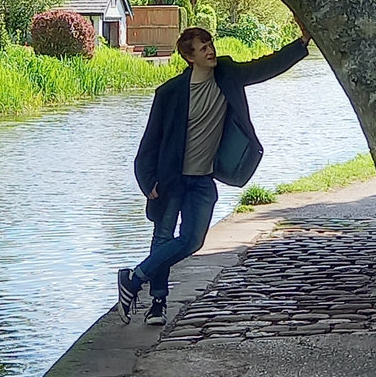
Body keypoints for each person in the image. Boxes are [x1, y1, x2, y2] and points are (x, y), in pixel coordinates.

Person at [116, 22, 312, 325]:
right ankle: (157, 303)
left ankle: (133, 278)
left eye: (210, 44)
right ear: (190, 57)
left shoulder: (228, 74)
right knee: (163, 237)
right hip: (170, 179)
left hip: (203, 181)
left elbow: (266, 67)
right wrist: (147, 180)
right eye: (203, 48)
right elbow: (150, 140)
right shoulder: (169, 93)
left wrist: (301, 43)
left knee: (192, 241)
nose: (210, 51)